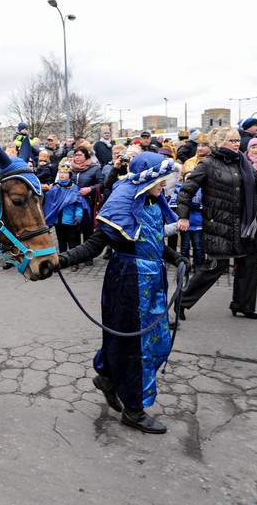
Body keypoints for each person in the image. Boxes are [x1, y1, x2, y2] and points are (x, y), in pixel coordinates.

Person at [57, 152, 189, 434]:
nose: (165, 185)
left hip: (151, 282)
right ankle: (134, 410)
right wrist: (61, 260)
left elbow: (152, 242)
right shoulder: (122, 204)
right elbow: (94, 245)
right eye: (162, 179)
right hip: (128, 282)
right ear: (148, 178)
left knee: (136, 341)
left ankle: (106, 376)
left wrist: (176, 257)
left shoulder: (151, 201)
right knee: (137, 348)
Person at [176, 126, 257, 320]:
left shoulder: (244, 162)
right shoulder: (208, 164)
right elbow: (185, 192)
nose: (237, 144)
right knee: (214, 268)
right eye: (232, 141)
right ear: (218, 143)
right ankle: (181, 301)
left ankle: (243, 305)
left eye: (237, 140)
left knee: (249, 264)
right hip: (220, 226)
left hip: (244, 226)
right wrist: (184, 216)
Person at [43, 164, 88, 272]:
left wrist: (78, 215)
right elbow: (50, 203)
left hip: (70, 220)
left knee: (72, 242)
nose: (62, 175)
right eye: (60, 173)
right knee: (61, 241)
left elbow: (78, 204)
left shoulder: (74, 188)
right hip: (58, 221)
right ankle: (62, 261)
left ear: (69, 174)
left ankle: (74, 262)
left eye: (65, 173)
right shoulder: (55, 187)